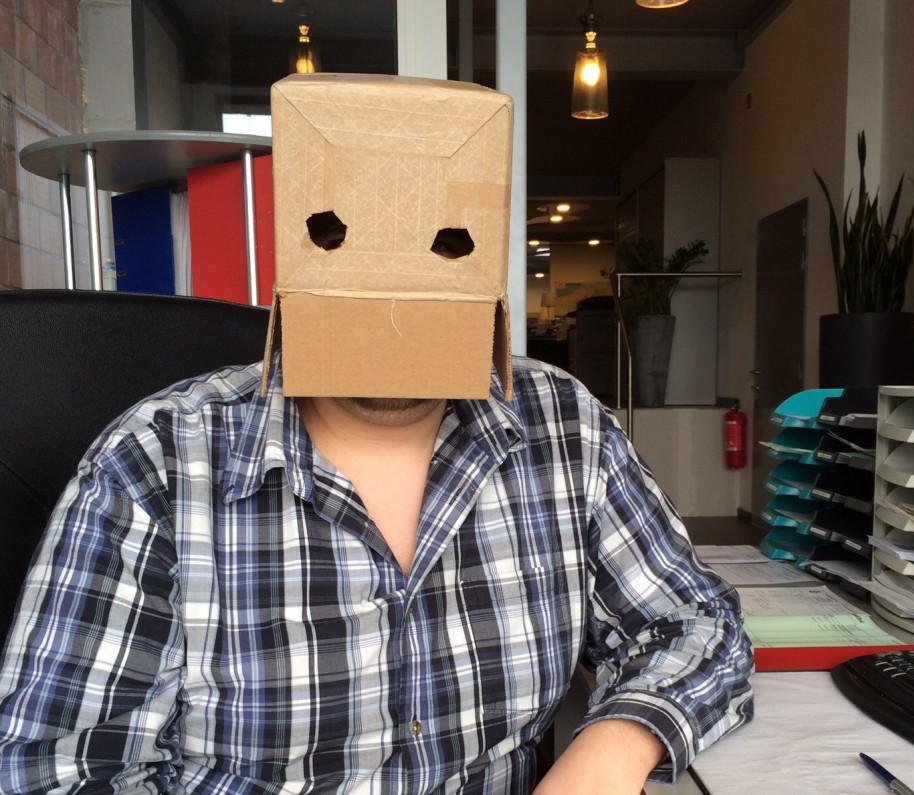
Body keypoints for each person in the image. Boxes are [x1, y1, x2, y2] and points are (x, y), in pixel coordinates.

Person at [0, 74, 753, 794]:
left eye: (447, 241)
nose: (396, 283)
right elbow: (59, 769)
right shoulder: (157, 464)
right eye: (337, 232)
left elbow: (695, 622)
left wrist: (615, 745)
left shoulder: (564, 427)